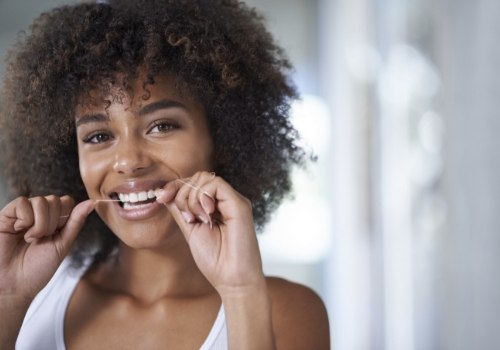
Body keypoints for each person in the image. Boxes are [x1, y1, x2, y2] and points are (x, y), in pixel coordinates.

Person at [0, 0, 330, 349]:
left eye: (161, 126)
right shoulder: (32, 293)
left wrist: (240, 291)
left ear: (223, 140)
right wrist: (7, 298)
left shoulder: (286, 311)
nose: (128, 161)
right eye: (98, 136)